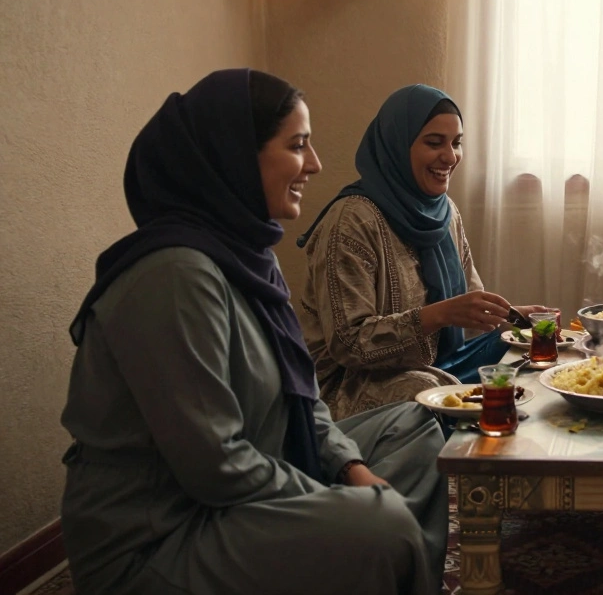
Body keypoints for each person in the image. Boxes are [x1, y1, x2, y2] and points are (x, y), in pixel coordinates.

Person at [60, 70, 450, 595]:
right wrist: (333, 497)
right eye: (297, 146)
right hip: (161, 537)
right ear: (235, 155)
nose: (314, 164)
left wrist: (351, 468)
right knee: (383, 524)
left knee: (414, 428)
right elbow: (215, 466)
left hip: (245, 481)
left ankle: (385, 565)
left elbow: (302, 396)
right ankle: (388, 557)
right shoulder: (174, 275)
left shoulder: (246, 257)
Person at [297, 84, 549, 420]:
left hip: (435, 363)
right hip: (352, 383)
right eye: (434, 143)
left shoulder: (445, 213)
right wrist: (438, 315)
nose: (450, 156)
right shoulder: (352, 219)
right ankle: (473, 466)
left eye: (456, 143)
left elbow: (466, 308)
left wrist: (511, 317)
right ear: (398, 145)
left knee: (522, 348)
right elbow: (349, 344)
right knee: (429, 393)